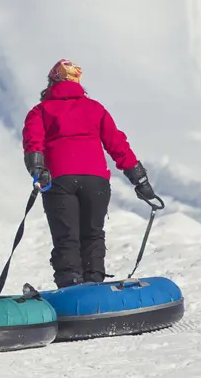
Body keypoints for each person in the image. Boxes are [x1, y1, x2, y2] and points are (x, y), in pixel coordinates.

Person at [22, 59, 158, 288]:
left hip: (59, 180)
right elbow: (118, 145)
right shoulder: (96, 109)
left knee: (67, 237)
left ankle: (72, 288)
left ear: (51, 82)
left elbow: (33, 143)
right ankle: (94, 285)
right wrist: (140, 180)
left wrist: (37, 170)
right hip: (96, 182)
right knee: (93, 234)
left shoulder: (40, 111)